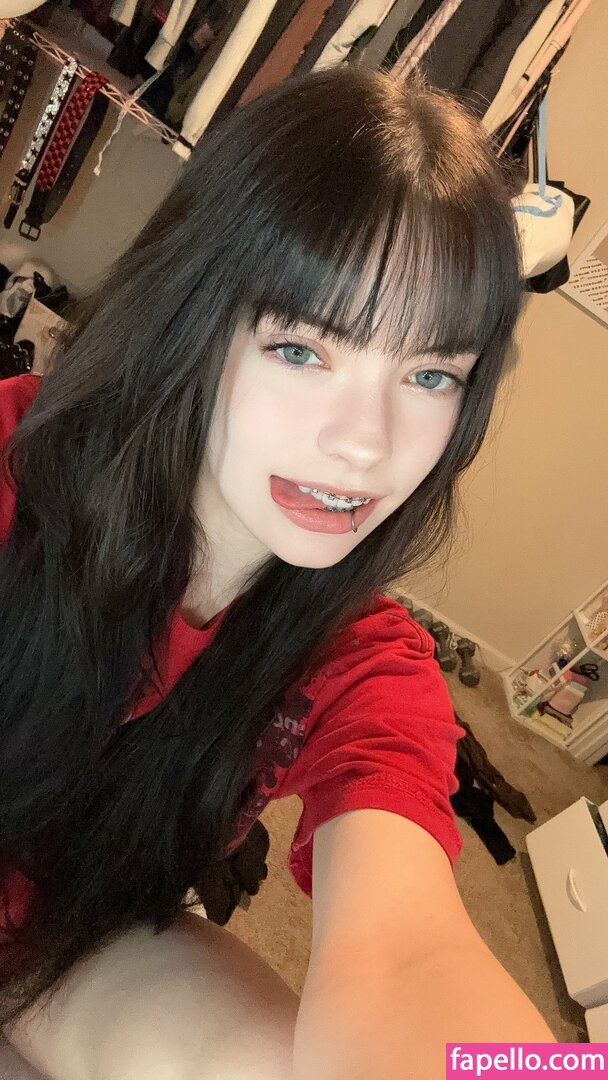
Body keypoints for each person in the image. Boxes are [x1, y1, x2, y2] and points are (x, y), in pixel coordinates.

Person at [0, 67, 554, 1080]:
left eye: (430, 374)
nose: (364, 443)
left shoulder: (365, 663)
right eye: (301, 349)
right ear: (192, 316)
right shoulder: (15, 463)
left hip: (72, 945)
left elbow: (406, 954)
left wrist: (543, 1072)